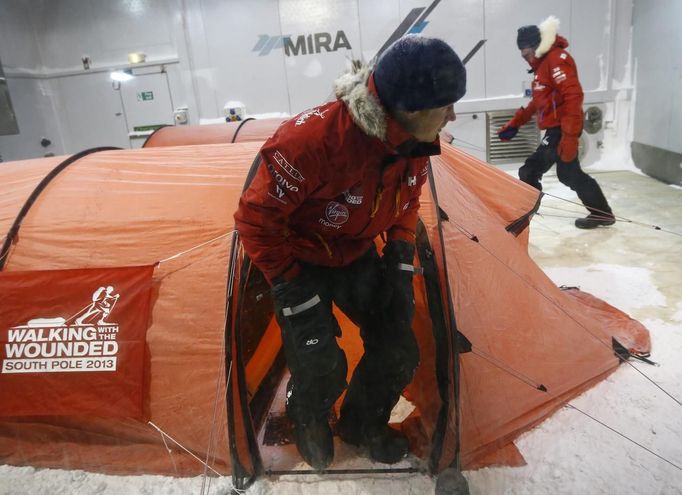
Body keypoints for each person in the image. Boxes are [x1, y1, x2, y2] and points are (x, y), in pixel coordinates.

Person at [234, 35, 466, 470]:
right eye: (447, 105)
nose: (454, 114)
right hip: (297, 258)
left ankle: (362, 424)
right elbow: (254, 220)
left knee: (398, 348)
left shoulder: (413, 138)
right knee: (321, 359)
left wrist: (398, 255)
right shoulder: (312, 141)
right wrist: (288, 283)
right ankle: (308, 417)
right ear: (412, 107)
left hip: (354, 254)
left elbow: (408, 199)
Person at [497, 15, 616, 229]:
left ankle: (526, 215)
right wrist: (515, 124)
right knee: (569, 174)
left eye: (526, 52)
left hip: (563, 129)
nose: (524, 57)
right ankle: (602, 214)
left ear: (536, 46)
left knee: (529, 171)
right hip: (557, 128)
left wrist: (569, 137)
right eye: (522, 54)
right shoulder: (542, 65)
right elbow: (537, 102)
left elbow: (573, 95)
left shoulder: (556, 59)